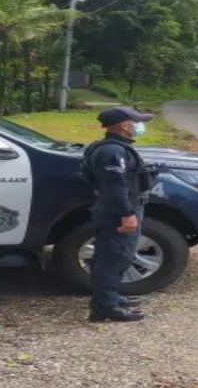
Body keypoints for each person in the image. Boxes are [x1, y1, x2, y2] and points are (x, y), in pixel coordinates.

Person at [83, 106, 155, 322]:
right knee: (113, 258)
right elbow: (115, 186)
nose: (140, 126)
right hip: (117, 211)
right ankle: (104, 308)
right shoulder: (111, 152)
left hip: (119, 208)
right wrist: (127, 213)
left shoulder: (116, 148)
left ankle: (109, 297)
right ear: (125, 125)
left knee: (116, 256)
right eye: (137, 122)